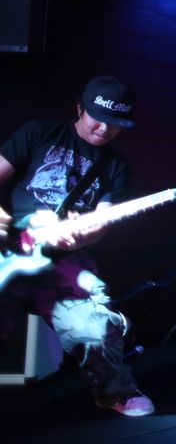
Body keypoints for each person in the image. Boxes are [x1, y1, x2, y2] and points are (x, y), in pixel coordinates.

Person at [0, 76, 154, 417]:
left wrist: (77, 236)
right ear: (80, 108)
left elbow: (101, 224)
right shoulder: (38, 133)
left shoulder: (116, 166)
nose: (104, 129)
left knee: (97, 325)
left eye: (114, 123)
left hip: (62, 259)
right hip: (10, 247)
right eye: (98, 118)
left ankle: (114, 392)